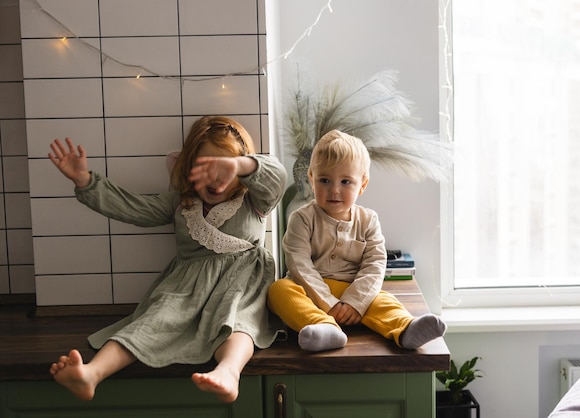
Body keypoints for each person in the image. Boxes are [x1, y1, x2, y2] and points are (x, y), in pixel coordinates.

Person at [48, 116, 287, 403]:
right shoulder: (180, 203)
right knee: (153, 320)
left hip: (242, 285)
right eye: (206, 167)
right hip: (186, 287)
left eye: (224, 168)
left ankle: (228, 372)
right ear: (188, 168)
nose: (216, 177)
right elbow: (132, 207)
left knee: (239, 323)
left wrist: (241, 165)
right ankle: (92, 374)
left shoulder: (254, 201)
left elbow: (277, 177)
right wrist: (85, 180)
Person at [268, 130, 446, 352]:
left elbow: (374, 265)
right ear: (311, 179)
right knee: (279, 290)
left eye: (345, 181)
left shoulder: (368, 220)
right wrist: (328, 304)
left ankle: (405, 328)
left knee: (383, 300)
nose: (334, 190)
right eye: (324, 180)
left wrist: (354, 302)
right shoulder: (302, 218)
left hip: (354, 290)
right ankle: (323, 327)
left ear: (362, 184)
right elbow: (299, 264)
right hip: (311, 291)